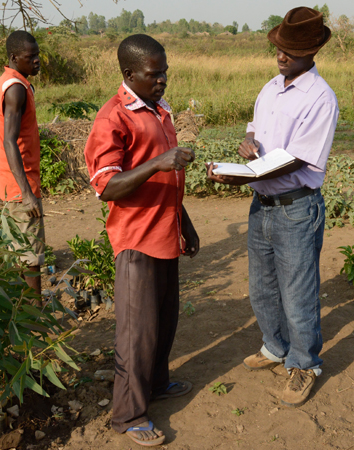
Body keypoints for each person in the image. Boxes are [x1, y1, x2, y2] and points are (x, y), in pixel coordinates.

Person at [206, 7, 339, 407]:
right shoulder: (271, 87)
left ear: (312, 52)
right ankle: (274, 347)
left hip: (296, 207)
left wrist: (247, 175)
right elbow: (254, 127)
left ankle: (304, 365)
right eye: (279, 47)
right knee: (262, 288)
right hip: (262, 204)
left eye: (291, 51)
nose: (281, 56)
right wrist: (247, 146)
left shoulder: (320, 97)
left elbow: (298, 159)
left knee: (298, 293)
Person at [84, 34, 200, 447]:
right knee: (136, 333)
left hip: (165, 233)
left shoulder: (157, 109)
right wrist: (158, 163)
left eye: (165, 72)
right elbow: (106, 186)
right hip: (137, 240)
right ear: (129, 74)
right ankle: (128, 415)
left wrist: (184, 222)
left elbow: (168, 181)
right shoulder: (113, 118)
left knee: (164, 322)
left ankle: (156, 384)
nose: (163, 80)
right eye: (154, 74)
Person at [0, 30, 44, 296]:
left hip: (14, 179)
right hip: (21, 184)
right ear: (15, 57)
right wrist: (27, 194)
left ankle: (24, 312)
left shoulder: (8, 80)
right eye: (31, 57)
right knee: (30, 256)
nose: (38, 61)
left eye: (38, 55)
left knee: (19, 248)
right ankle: (35, 316)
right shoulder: (16, 88)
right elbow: (9, 139)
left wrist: (3, 146)